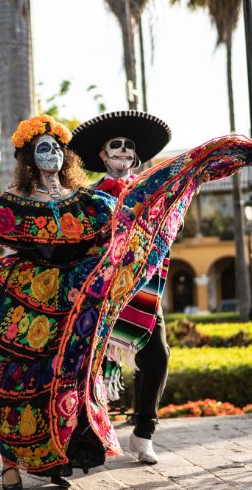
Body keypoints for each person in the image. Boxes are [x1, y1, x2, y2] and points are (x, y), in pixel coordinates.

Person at [0, 114, 252, 490]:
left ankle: (60, 456)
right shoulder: (14, 203)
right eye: (44, 149)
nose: (53, 156)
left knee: (67, 380)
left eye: (58, 149)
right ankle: (10, 464)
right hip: (24, 304)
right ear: (29, 158)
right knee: (12, 380)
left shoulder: (89, 200)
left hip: (75, 306)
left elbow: (132, 220)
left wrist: (197, 166)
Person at [70, 110, 173, 464]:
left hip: (141, 291)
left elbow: (166, 232)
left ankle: (144, 432)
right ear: (102, 154)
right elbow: (78, 244)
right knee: (86, 367)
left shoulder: (152, 191)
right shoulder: (86, 197)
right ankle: (91, 437)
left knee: (157, 355)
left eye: (130, 147)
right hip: (99, 294)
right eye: (116, 145)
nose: (124, 151)